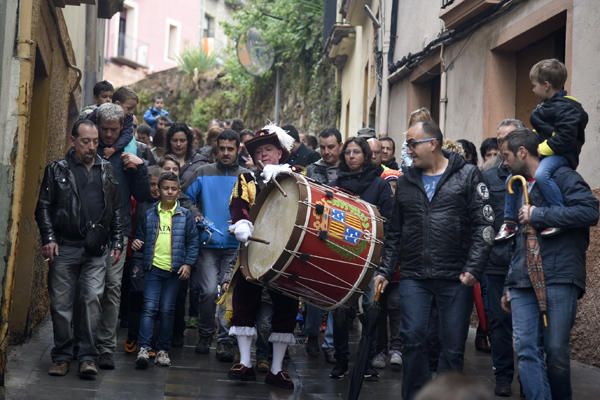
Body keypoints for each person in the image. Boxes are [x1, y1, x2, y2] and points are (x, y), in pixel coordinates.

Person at [374, 121, 493, 400]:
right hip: (415, 276)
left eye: (413, 144)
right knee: (413, 340)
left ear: (433, 143)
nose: (409, 150)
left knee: (451, 347)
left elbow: (484, 226)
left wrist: (473, 268)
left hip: (456, 277)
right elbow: (395, 232)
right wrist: (385, 270)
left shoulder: (468, 175)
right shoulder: (405, 181)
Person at [499, 128, 598, 400]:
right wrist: (509, 283)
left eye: (506, 155)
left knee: (555, 351)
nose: (503, 162)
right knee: (525, 349)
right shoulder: (517, 185)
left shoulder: (562, 176)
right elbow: (518, 237)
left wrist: (539, 214)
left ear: (522, 152)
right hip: (522, 279)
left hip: (559, 275)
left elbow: (590, 211)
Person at [35, 119, 124, 379]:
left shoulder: (106, 170)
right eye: (86, 141)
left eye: (95, 141)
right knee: (61, 305)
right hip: (64, 247)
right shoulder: (57, 170)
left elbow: (116, 209)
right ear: (73, 140)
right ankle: (62, 355)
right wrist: (49, 238)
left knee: (91, 300)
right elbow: (43, 207)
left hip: (96, 249)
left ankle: (87, 356)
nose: (91, 146)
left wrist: (117, 240)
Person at [225, 124, 298, 390]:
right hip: (254, 252)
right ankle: (245, 362)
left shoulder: (297, 179)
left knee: (286, 307)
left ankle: (277, 368)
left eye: (268, 149)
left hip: (287, 253)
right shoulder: (246, 180)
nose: (263, 155)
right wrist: (241, 223)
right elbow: (237, 205)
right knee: (244, 302)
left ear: (280, 152)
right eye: (259, 151)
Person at [496, 58, 589, 240]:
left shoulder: (568, 108)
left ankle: (557, 214)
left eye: (534, 85)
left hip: (562, 155)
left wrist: (540, 149)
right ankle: (509, 223)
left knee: (541, 175)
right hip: (550, 151)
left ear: (546, 85)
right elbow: (542, 132)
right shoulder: (548, 105)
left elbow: (565, 139)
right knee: (511, 178)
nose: (532, 89)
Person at [329, 137, 394, 382]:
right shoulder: (336, 185)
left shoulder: (379, 185)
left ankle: (366, 363)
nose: (351, 156)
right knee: (341, 311)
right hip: (342, 257)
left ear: (366, 156)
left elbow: (388, 220)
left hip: (371, 258)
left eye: (357, 152)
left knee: (370, 310)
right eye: (348, 152)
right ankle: (342, 360)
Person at [94, 103, 152, 370]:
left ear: (121, 129)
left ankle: (105, 346)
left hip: (119, 232)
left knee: (113, 288)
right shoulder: (89, 150)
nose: (108, 135)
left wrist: (140, 169)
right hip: (90, 233)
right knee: (90, 292)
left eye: (113, 130)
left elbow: (142, 196)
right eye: (104, 129)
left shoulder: (130, 155)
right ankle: (85, 342)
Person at [185, 129, 248, 361]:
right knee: (209, 292)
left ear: (238, 149)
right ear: (215, 149)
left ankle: (225, 341)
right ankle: (205, 333)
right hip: (208, 243)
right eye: (221, 148)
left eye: (230, 149)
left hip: (235, 246)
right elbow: (184, 197)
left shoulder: (246, 176)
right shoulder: (202, 173)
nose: (225, 153)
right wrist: (196, 214)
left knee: (229, 294)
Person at [133, 172, 200, 369]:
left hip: (174, 271)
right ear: (159, 190)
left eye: (173, 188)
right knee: (149, 308)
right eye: (165, 188)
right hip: (153, 268)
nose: (169, 192)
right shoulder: (150, 213)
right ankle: (144, 348)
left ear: (179, 192)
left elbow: (193, 242)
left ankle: (163, 350)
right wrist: (138, 244)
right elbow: (141, 238)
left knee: (167, 310)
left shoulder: (185, 216)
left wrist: (188, 264)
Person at [481, 118, 524, 397]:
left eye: (507, 139)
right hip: (495, 261)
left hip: (525, 260)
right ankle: (503, 375)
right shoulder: (486, 174)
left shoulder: (533, 172)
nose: (501, 145)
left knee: (527, 324)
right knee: (498, 321)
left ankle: (530, 378)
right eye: (498, 140)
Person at [303, 128, 343, 360]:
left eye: (331, 147)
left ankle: (330, 343)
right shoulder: (313, 169)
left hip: (341, 236)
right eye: (323, 147)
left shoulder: (348, 170)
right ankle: (311, 335)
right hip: (318, 234)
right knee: (314, 290)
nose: (327, 152)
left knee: (337, 291)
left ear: (340, 145)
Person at [124, 165, 162, 354]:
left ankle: (151, 341)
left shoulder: (167, 206)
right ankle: (132, 335)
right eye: (152, 185)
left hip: (159, 257)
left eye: (158, 185)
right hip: (138, 256)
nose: (155, 189)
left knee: (155, 301)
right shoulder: (139, 202)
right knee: (136, 296)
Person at [87, 86, 139, 161]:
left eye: (114, 129)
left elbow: (127, 134)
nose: (131, 112)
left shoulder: (128, 118)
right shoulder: (99, 111)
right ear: (117, 104)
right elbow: (87, 124)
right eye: (129, 108)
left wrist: (114, 148)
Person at [165, 123, 210, 191]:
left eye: (182, 140)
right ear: (169, 142)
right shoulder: (162, 161)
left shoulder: (200, 163)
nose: (178, 144)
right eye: (175, 140)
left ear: (188, 142)